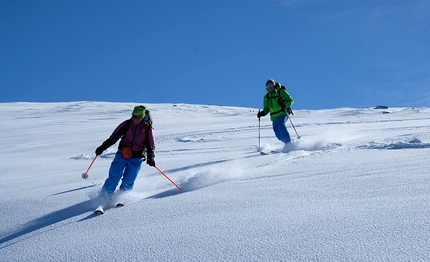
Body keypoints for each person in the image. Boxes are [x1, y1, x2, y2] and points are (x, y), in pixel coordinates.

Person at [95, 105, 155, 197]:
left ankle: (121, 197)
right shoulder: (127, 124)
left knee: (129, 180)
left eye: (138, 117)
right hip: (122, 154)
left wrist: (151, 157)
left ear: (142, 117)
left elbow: (150, 145)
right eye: (133, 116)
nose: (135, 119)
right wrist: (102, 147)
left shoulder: (147, 129)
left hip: (136, 158)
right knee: (114, 176)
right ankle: (104, 197)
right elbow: (114, 137)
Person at [257, 79, 294, 148]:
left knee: (281, 126)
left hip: (283, 113)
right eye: (268, 86)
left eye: (271, 85)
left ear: (274, 85)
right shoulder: (266, 97)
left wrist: (285, 104)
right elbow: (266, 109)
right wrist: (262, 113)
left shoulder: (281, 91)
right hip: (274, 117)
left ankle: (288, 143)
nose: (270, 87)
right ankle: (291, 142)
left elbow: (291, 101)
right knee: (277, 134)